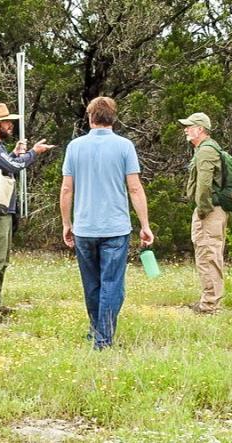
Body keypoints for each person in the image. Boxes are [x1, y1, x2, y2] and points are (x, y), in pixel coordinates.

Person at [59, 96, 154, 350]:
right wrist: (145, 224)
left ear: (91, 117)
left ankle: (96, 330)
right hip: (115, 227)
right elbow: (134, 188)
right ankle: (104, 337)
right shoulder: (124, 146)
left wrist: (66, 223)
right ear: (113, 118)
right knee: (112, 284)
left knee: (92, 283)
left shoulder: (74, 147)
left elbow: (67, 189)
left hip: (85, 228)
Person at [0, 103, 55, 322]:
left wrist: (14, 153)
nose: (11, 126)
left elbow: (8, 163)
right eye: (7, 122)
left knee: (1, 259)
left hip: (0, 211)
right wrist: (33, 153)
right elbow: (14, 167)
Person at [181, 112, 227, 314]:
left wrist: (202, 210)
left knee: (208, 254)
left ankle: (210, 306)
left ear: (200, 129)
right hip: (212, 210)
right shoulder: (205, 149)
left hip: (210, 212)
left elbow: (205, 184)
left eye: (189, 126)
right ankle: (208, 301)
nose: (186, 129)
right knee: (208, 254)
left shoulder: (206, 151)